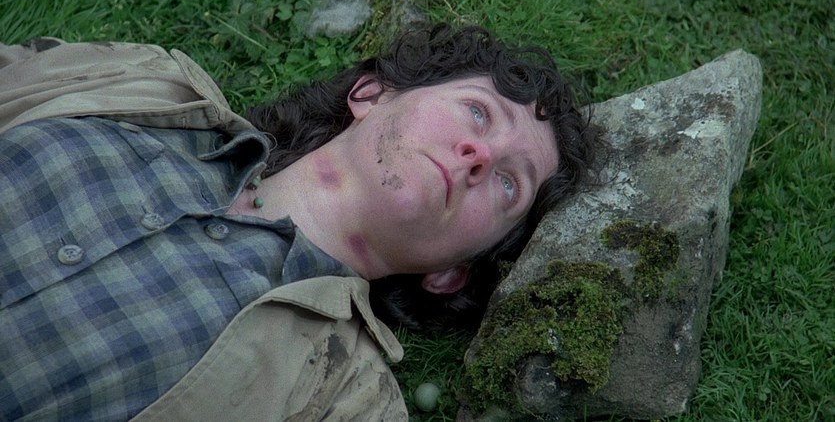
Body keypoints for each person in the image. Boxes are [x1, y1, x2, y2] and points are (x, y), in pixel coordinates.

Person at [0, 24, 594, 420]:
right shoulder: (143, 82)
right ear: (372, 93)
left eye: (509, 184)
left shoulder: (345, 401)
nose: (480, 155)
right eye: (478, 113)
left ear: (452, 275)